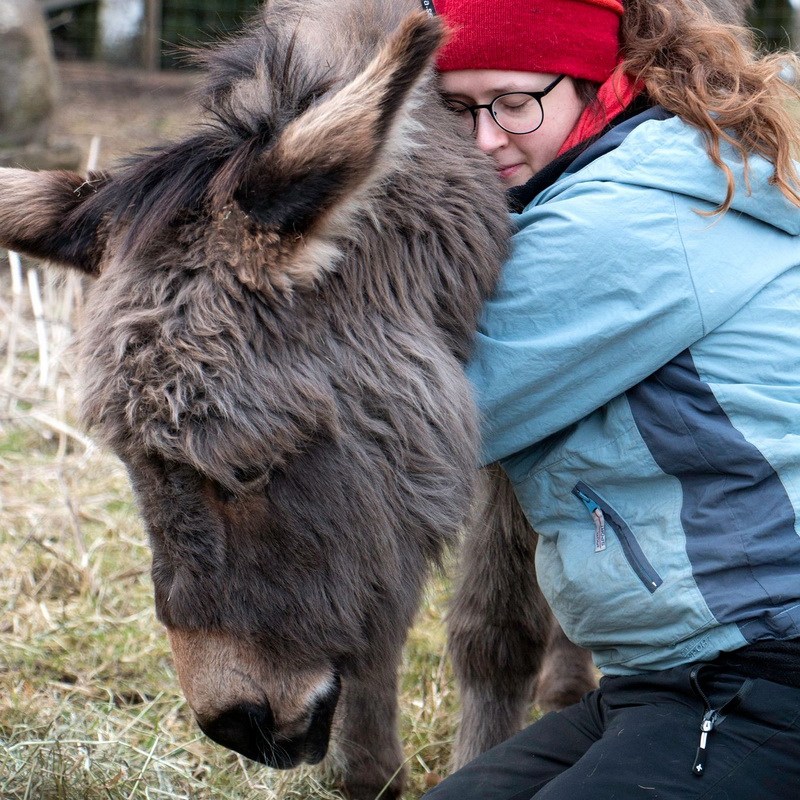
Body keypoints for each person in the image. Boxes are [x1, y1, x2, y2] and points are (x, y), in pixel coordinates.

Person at [423, 0, 800, 797]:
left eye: (514, 103)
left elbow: (430, 407)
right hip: (666, 676)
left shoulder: (625, 219)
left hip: (768, 671)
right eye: (457, 109)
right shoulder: (645, 169)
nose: (483, 140)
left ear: (599, 84)